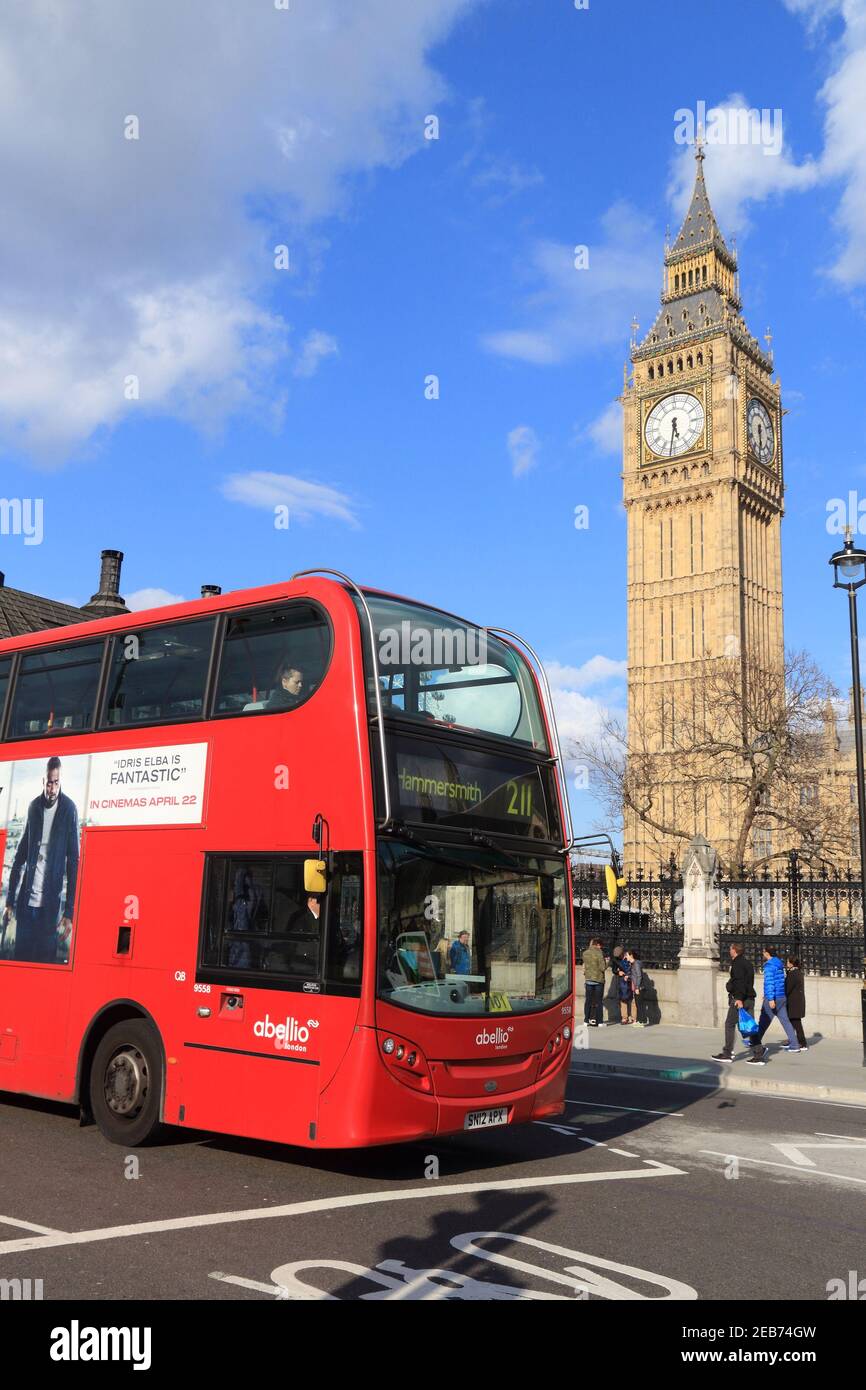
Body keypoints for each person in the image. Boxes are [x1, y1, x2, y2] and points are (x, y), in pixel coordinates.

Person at [3, 756, 79, 964]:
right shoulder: (34, 807)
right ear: (43, 781)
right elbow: (19, 858)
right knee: (20, 963)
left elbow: (74, 863)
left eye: (56, 782)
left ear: (60, 781)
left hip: (50, 910)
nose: (52, 788)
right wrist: (10, 901)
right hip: (26, 909)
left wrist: (69, 911)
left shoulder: (69, 810)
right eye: (49, 782)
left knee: (45, 968)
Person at [747, 946, 800, 1064]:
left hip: (773, 998)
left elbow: (770, 982)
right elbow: (779, 982)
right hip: (781, 997)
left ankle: (754, 1042)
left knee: (763, 1022)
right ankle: (795, 1045)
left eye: (763, 952)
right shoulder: (779, 964)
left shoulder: (769, 966)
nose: (762, 954)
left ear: (767, 953)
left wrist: (770, 998)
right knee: (785, 1021)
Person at [712, 942, 756, 1062]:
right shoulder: (747, 963)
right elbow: (749, 982)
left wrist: (739, 999)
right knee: (749, 1026)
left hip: (739, 999)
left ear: (734, 950)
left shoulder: (737, 964)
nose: (729, 950)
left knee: (730, 1024)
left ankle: (727, 1053)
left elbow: (740, 982)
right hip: (750, 998)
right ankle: (759, 1052)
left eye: (730, 948)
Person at [785, 955, 808, 1052]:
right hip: (796, 1002)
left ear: (791, 963)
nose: (786, 964)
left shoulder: (793, 973)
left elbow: (787, 988)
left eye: (787, 962)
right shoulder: (796, 972)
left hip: (794, 1003)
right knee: (793, 1022)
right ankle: (793, 1040)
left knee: (796, 1023)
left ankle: (802, 1043)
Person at [581, 937, 606, 1026]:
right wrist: (607, 962)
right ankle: (599, 1022)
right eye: (601, 946)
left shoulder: (585, 953)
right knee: (599, 1001)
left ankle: (586, 1020)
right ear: (598, 945)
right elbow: (602, 968)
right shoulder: (599, 953)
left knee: (588, 1001)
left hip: (588, 980)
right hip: (598, 980)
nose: (601, 948)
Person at [625, 949, 644, 1025]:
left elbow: (639, 976)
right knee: (637, 1004)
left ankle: (641, 1021)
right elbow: (634, 975)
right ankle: (639, 1021)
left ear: (631, 955)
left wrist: (637, 987)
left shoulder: (636, 964)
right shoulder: (633, 964)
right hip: (636, 986)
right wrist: (628, 976)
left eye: (627, 955)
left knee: (639, 1005)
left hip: (638, 987)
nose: (626, 957)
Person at [615, 948, 633, 1024]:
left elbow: (632, 969)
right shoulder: (616, 960)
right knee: (623, 999)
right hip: (622, 981)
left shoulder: (629, 959)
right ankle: (624, 1017)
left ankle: (631, 1017)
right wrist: (618, 972)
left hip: (630, 980)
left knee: (631, 1000)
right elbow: (614, 969)